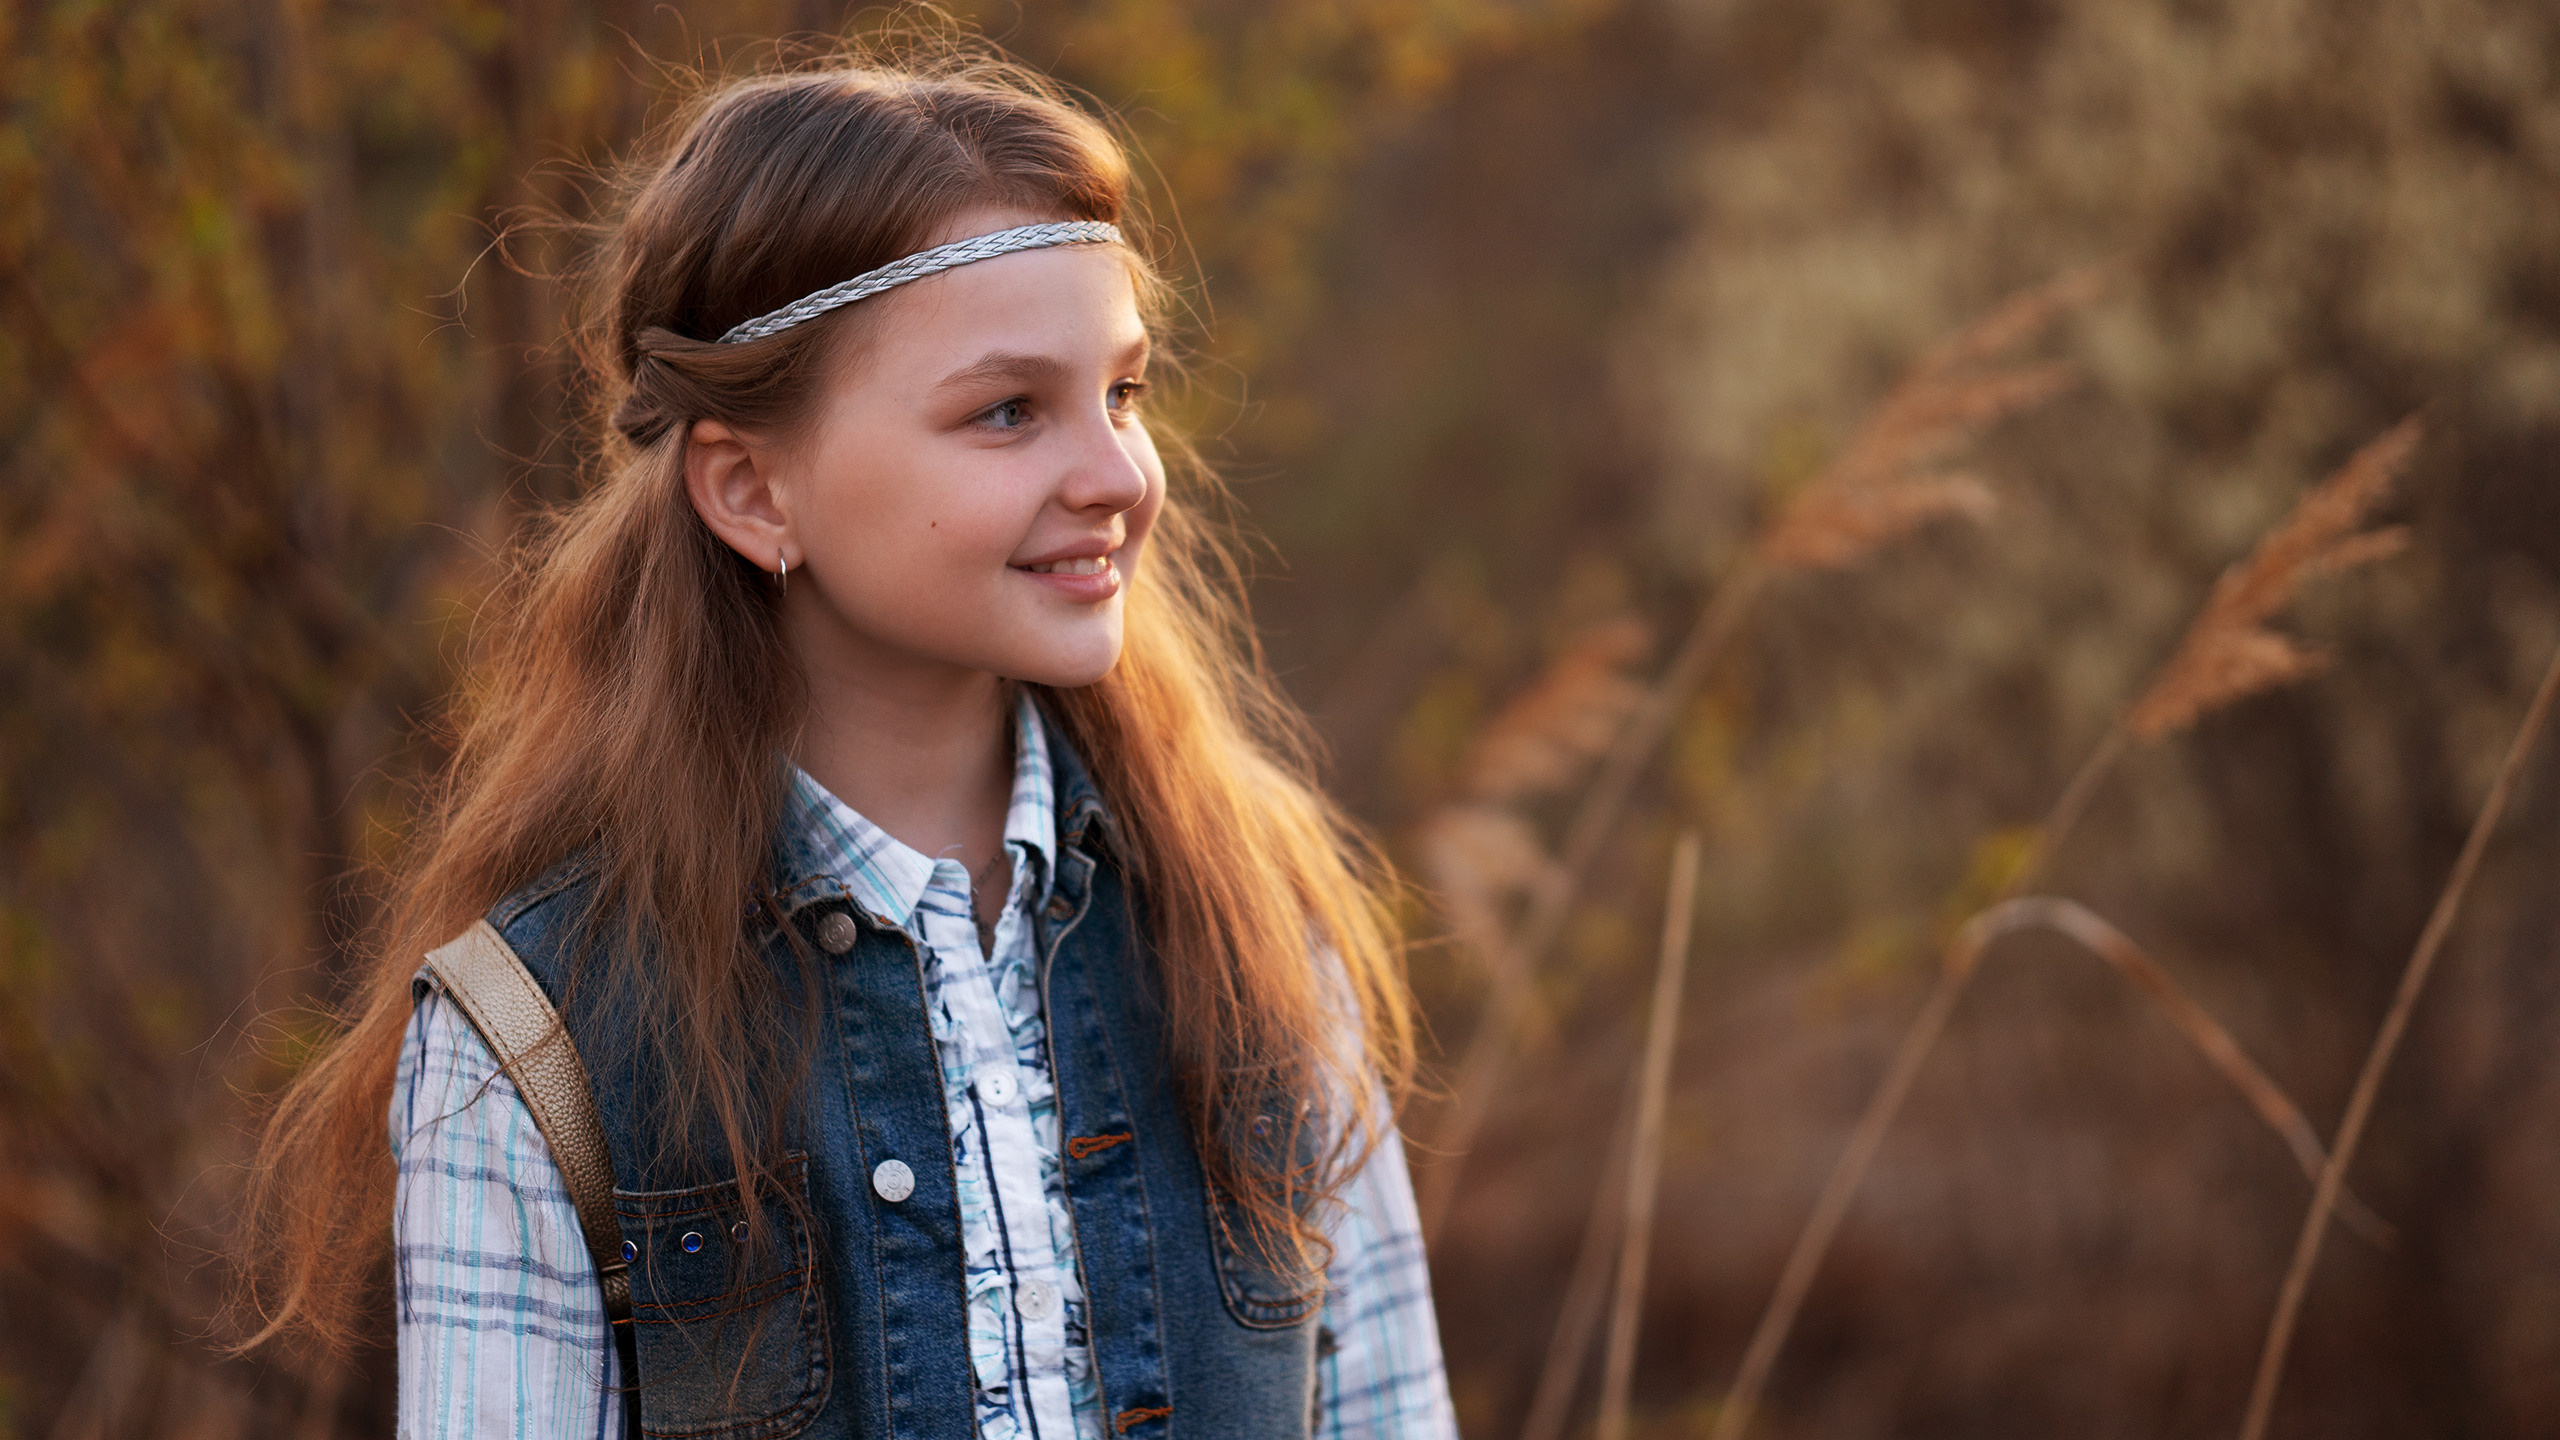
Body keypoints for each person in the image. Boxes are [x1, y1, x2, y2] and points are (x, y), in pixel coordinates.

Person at [241, 45, 1456, 1440]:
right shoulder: (536, 1045)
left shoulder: (1253, 932)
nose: (1118, 473)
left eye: (1122, 393)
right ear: (753, 489)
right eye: (1008, 411)